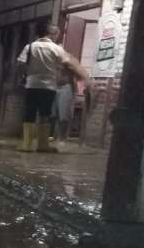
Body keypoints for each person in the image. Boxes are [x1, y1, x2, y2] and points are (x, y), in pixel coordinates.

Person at [16, 22, 89, 153]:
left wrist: (26, 74)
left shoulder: (30, 46)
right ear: (52, 34)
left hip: (32, 84)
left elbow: (20, 63)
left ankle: (26, 144)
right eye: (57, 35)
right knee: (45, 114)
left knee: (29, 114)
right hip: (49, 87)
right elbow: (69, 63)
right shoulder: (56, 48)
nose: (58, 37)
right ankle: (43, 145)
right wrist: (85, 77)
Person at [50, 67, 77, 144]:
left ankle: (62, 138)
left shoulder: (68, 63)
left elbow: (73, 78)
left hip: (65, 87)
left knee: (63, 115)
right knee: (52, 115)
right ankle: (50, 137)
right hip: (54, 86)